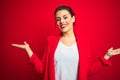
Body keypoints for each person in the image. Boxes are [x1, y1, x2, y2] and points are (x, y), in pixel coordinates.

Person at [12, 5, 120, 80]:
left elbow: (88, 71)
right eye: (58, 19)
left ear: (73, 18)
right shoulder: (51, 41)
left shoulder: (84, 42)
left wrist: (107, 56)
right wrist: (28, 50)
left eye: (65, 17)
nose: (61, 21)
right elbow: (42, 70)